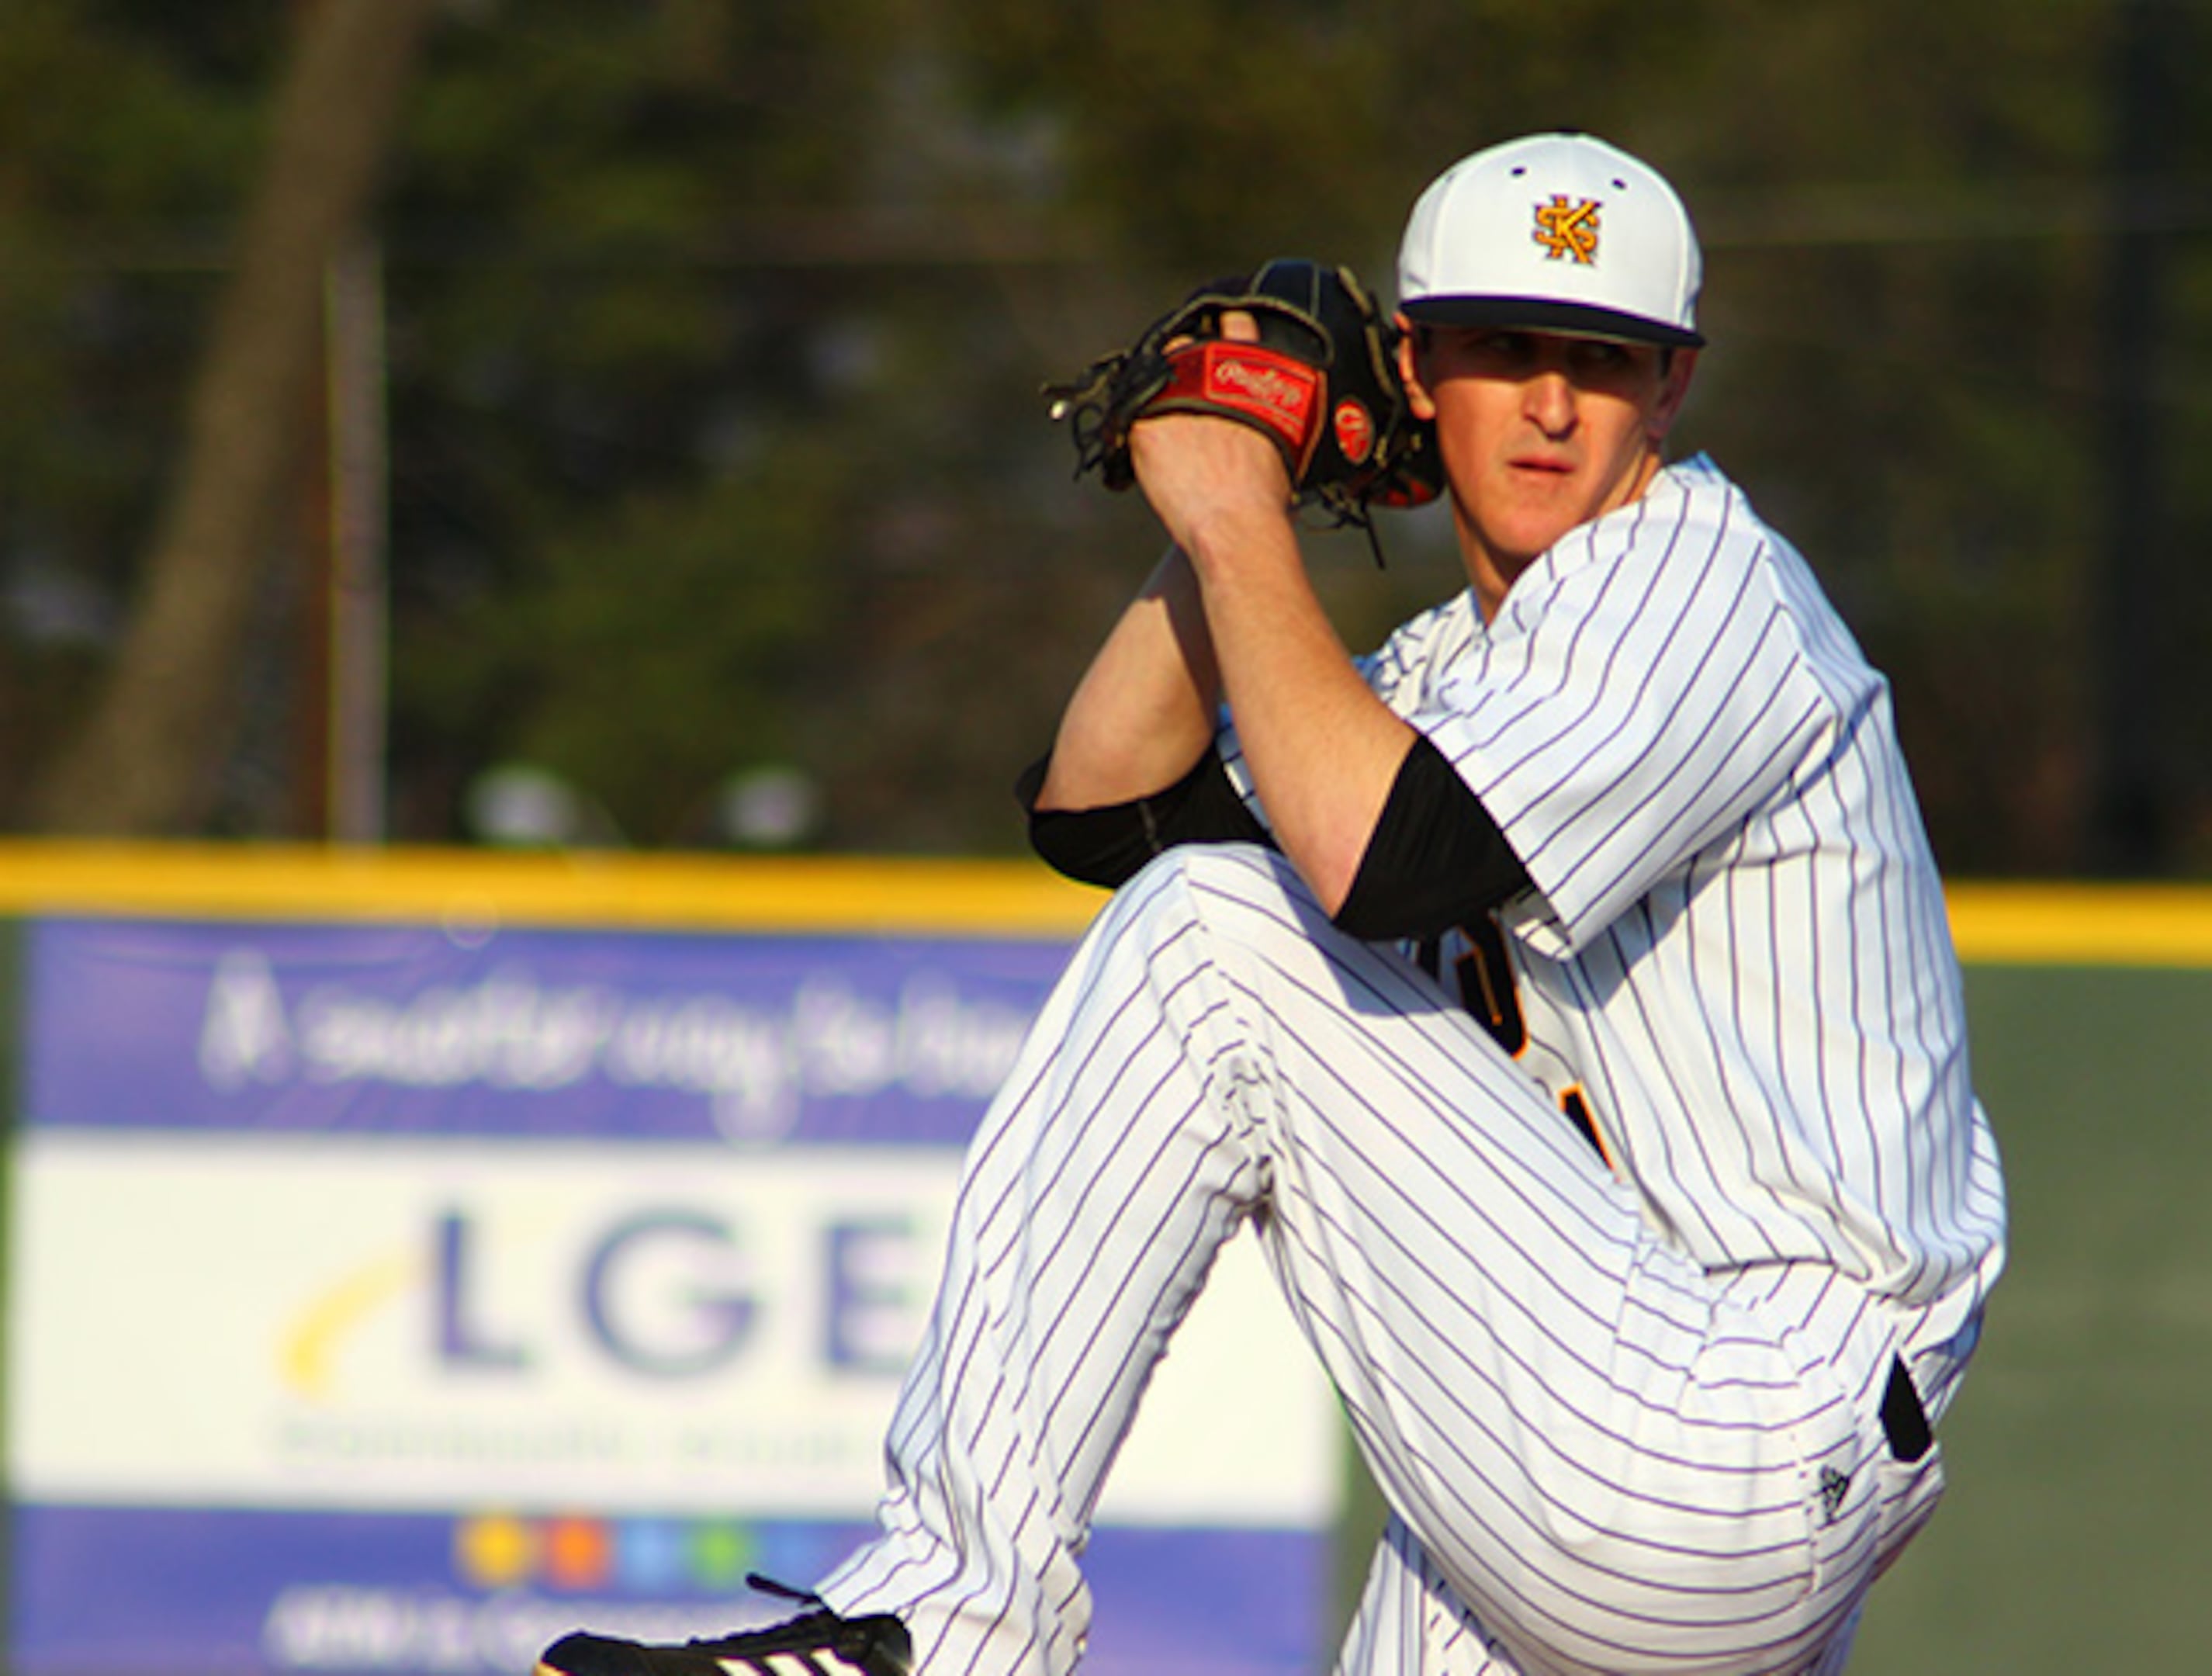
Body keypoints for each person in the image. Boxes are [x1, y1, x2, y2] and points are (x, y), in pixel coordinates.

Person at [539, 130, 2007, 1676]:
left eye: (1605, 358)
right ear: (1420, 371)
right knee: (1209, 897)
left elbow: (1360, 866)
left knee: (1220, 939)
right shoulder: (1454, 672)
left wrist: (1241, 517)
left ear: (1676, 387)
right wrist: (1233, 510)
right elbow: (1107, 811)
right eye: (1505, 351)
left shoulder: (1699, 589)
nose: (1555, 402)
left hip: (1740, 1425)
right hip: (1581, 1409)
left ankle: (952, 1624)